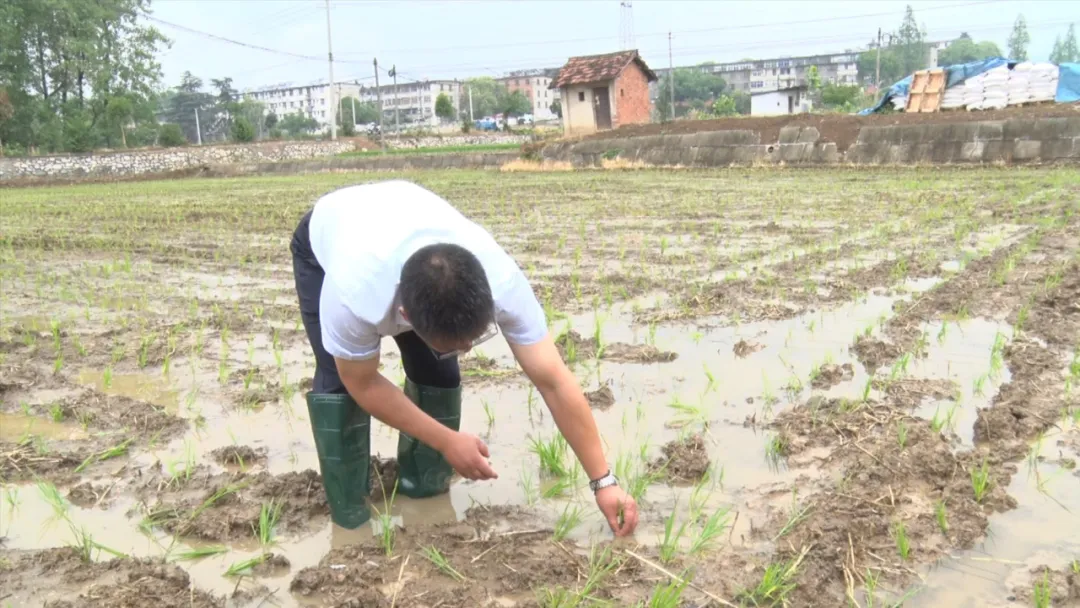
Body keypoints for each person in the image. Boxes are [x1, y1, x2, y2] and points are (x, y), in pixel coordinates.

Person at [290, 179, 639, 537]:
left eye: (473, 340)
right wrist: (446, 441)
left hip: (404, 218)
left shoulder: (502, 280)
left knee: (438, 373)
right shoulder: (353, 294)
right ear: (404, 318)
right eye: (454, 343)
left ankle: (424, 498)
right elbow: (361, 382)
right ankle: (350, 519)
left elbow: (554, 380)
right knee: (337, 385)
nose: (468, 351)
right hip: (327, 235)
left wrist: (604, 481)